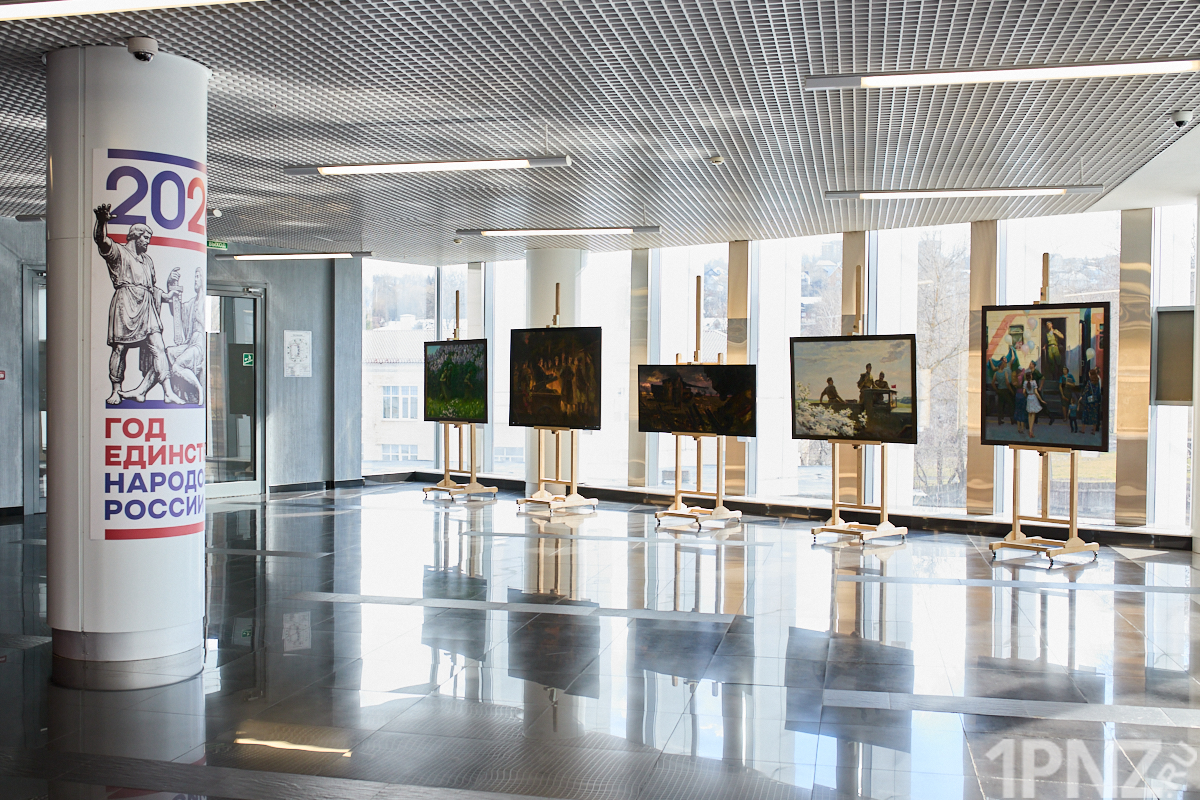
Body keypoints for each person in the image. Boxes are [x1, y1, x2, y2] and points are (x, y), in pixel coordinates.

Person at [93, 203, 183, 405]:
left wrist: (167, 296)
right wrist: (101, 221)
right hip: (125, 303)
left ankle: (168, 391)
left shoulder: (147, 261)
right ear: (135, 236)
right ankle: (116, 390)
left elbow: (152, 288)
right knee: (119, 349)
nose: (147, 242)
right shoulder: (119, 252)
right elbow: (101, 241)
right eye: (145, 238)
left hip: (147, 307)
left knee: (159, 347)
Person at [1024, 371, 1045, 438]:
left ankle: (1030, 430)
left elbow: (1024, 392)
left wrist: (1026, 396)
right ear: (1031, 376)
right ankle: (1031, 430)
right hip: (1033, 397)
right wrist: (1041, 400)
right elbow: (1036, 392)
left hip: (1028, 397)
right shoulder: (1034, 382)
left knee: (1029, 413)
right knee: (1033, 414)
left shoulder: (1025, 382)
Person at [1080, 369, 1102, 434]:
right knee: (1094, 416)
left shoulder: (1089, 382)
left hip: (1089, 401)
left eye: (1089, 373)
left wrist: (1082, 396)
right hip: (1095, 401)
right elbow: (1098, 392)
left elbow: (1085, 390)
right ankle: (1094, 431)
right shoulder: (1097, 382)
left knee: (1085, 415)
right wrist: (1098, 400)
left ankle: (1083, 430)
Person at [1012, 368, 1027, 434]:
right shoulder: (1023, 378)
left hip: (1017, 395)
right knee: (1022, 411)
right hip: (1022, 395)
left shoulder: (1016, 379)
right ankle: (1022, 428)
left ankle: (1018, 428)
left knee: (1018, 411)